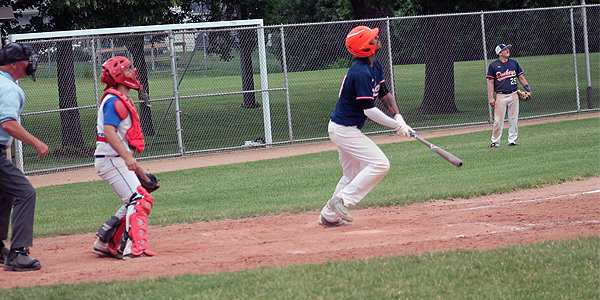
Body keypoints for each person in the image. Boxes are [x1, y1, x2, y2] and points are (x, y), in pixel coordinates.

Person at [318, 26, 414, 227]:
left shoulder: (374, 65)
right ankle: (342, 201)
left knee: (351, 175)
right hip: (344, 130)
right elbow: (368, 110)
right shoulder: (359, 72)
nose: (377, 38)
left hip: (345, 128)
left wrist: (399, 118)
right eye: (372, 38)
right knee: (380, 164)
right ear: (365, 47)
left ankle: (329, 215)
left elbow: (385, 95)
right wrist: (395, 126)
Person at [92, 56, 156, 259]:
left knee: (135, 198)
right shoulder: (113, 100)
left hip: (114, 157)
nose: (133, 71)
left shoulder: (120, 99)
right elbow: (110, 133)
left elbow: (121, 138)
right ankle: (134, 248)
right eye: (128, 69)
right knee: (141, 198)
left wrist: (138, 169)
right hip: (111, 157)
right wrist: (128, 160)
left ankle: (105, 241)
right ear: (119, 76)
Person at [0, 42, 46, 271]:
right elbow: (8, 123)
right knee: (26, 193)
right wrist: (37, 143)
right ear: (14, 64)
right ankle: (18, 254)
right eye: (27, 59)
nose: (31, 63)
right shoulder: (8, 88)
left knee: (6, 193)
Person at [487, 43, 531, 148]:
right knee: (498, 121)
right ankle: (495, 142)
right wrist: (491, 98)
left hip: (514, 94)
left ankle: (512, 141)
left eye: (507, 48)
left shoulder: (514, 63)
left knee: (513, 119)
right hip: (500, 96)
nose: (507, 50)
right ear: (499, 53)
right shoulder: (493, 66)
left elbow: (521, 77)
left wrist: (528, 90)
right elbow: (490, 82)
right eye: (505, 49)